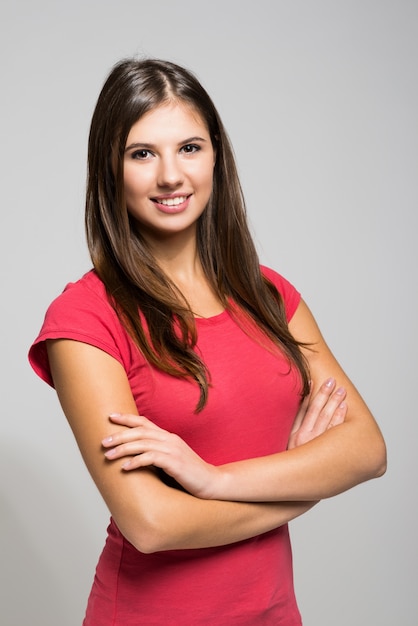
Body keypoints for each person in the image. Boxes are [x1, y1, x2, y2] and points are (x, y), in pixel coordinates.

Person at [28, 58, 386, 625]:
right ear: (110, 169)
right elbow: (150, 524)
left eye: (189, 148)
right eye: (142, 154)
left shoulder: (271, 296)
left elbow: (366, 449)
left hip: (274, 613)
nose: (171, 175)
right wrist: (305, 485)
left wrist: (212, 479)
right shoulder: (85, 317)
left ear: (216, 154)